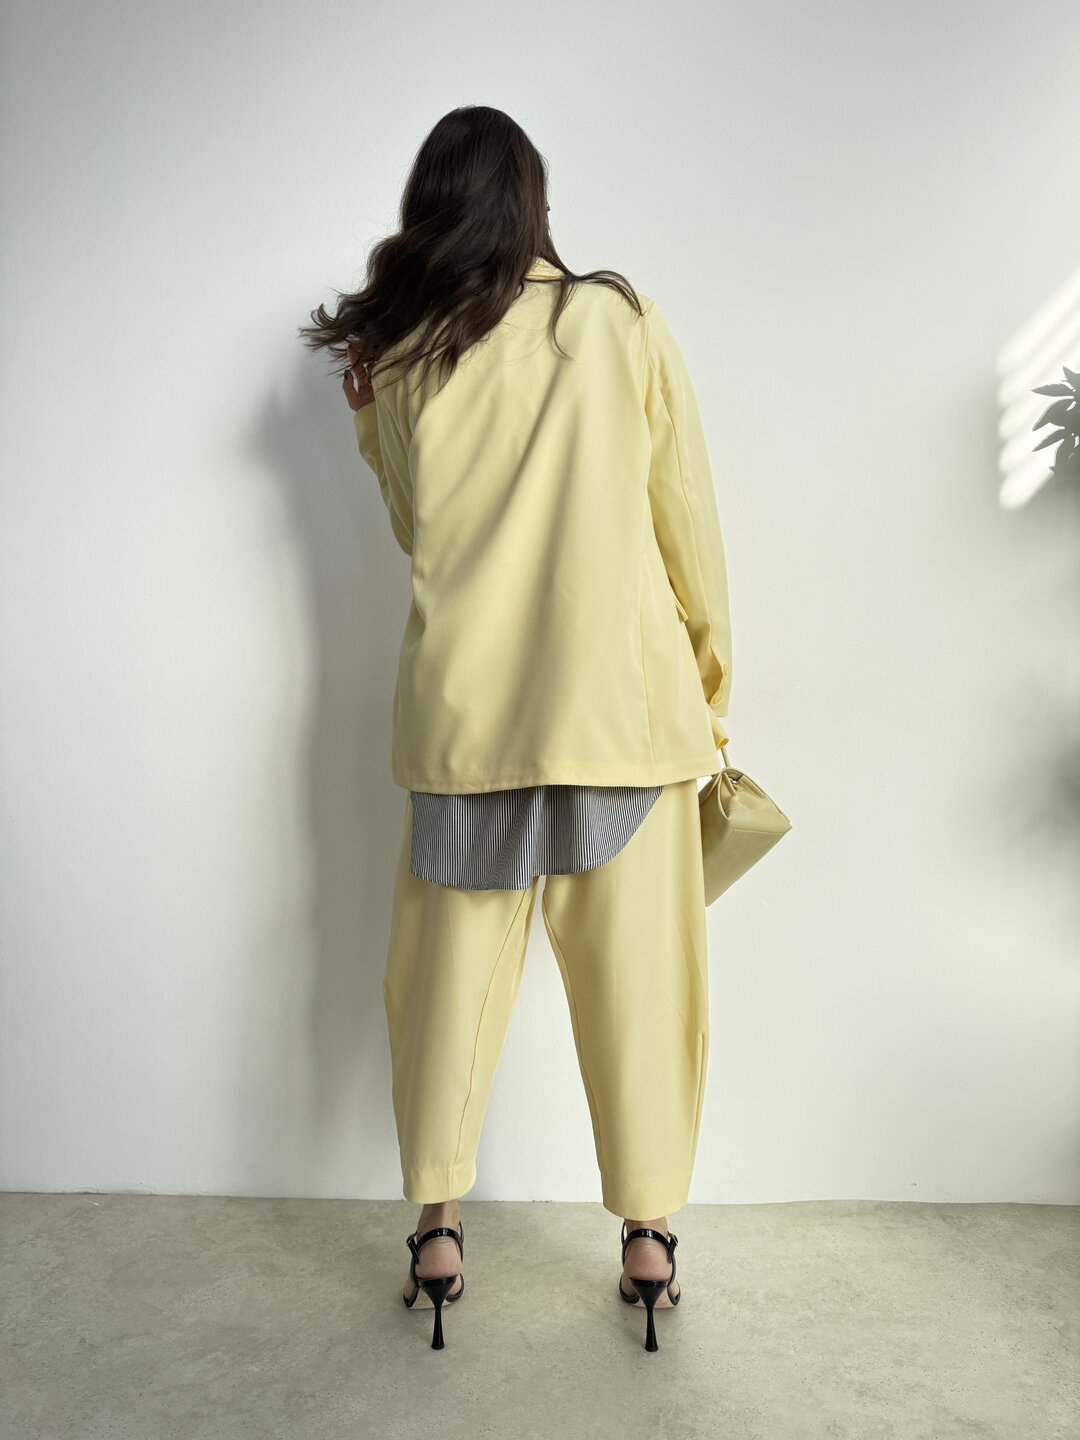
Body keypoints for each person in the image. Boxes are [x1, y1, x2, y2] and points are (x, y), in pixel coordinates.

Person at [299, 105, 733, 1354]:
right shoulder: (619, 321)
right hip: (621, 716)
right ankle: (648, 1240)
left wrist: (370, 419)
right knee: (640, 988)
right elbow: (683, 514)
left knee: (445, 990)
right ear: (533, 203)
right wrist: (709, 685)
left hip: (470, 723)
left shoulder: (408, 354)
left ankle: (437, 1234)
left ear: (431, 205)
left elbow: (417, 533)